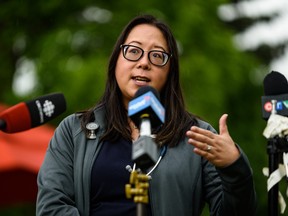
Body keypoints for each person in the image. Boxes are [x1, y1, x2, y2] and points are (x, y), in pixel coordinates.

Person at [36, 14, 257, 216]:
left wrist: (234, 168)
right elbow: (51, 207)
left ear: (170, 70)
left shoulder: (197, 137)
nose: (144, 62)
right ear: (116, 61)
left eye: (157, 56)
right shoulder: (74, 130)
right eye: (133, 51)